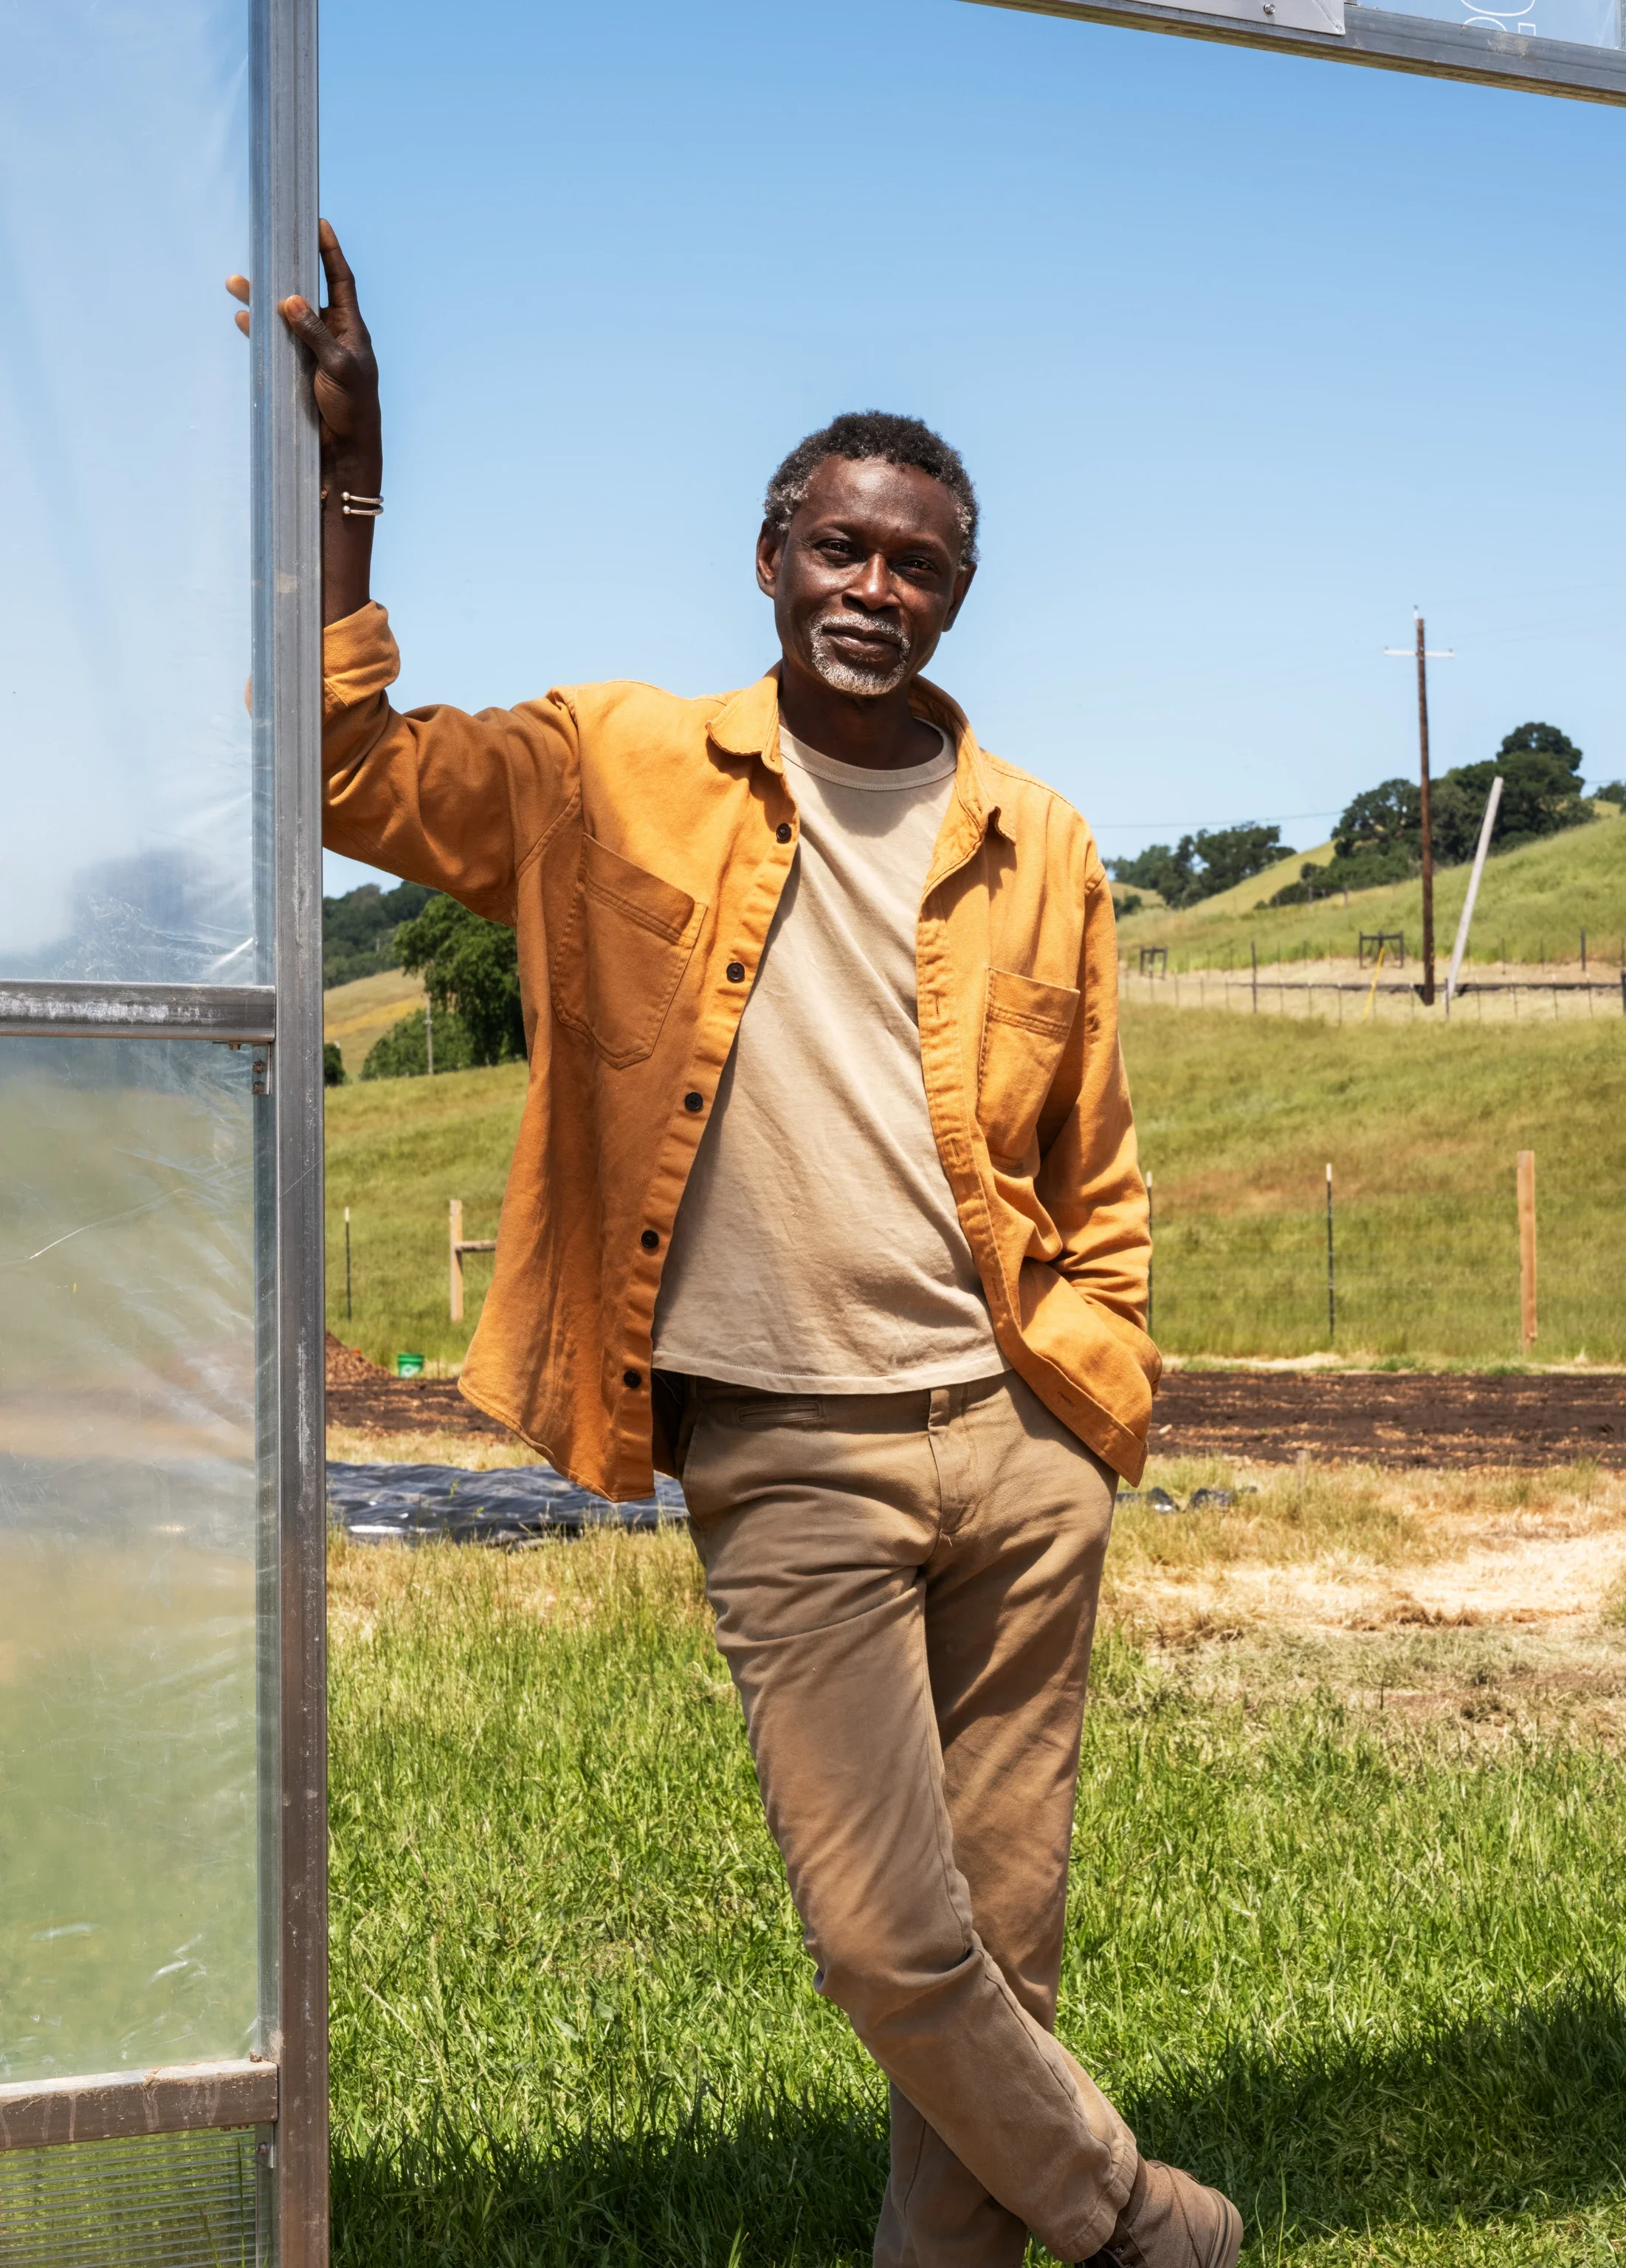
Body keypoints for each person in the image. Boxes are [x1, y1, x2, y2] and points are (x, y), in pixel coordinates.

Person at [230, 224, 1241, 2268]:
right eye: (842, 549)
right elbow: (351, 779)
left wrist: (1101, 1384)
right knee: (888, 1937)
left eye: (920, 563)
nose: (879, 589)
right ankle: (1143, 2222)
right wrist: (356, 490)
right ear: (769, 559)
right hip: (788, 1452)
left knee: (1004, 1941)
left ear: (963, 592)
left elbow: (1098, 1160)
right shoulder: (615, 762)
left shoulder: (1038, 838)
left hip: (1020, 1441)